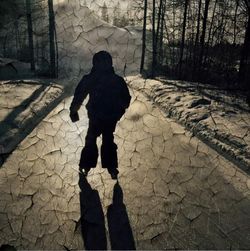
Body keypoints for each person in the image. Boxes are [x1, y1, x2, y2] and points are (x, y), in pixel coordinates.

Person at [69, 51, 131, 179]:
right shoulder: (117, 80)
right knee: (108, 139)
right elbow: (126, 101)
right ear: (110, 64)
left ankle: (86, 166)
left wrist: (74, 111)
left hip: (96, 116)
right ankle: (112, 167)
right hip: (110, 117)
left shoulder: (90, 78)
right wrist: (119, 110)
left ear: (94, 64)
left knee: (91, 140)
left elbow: (79, 96)